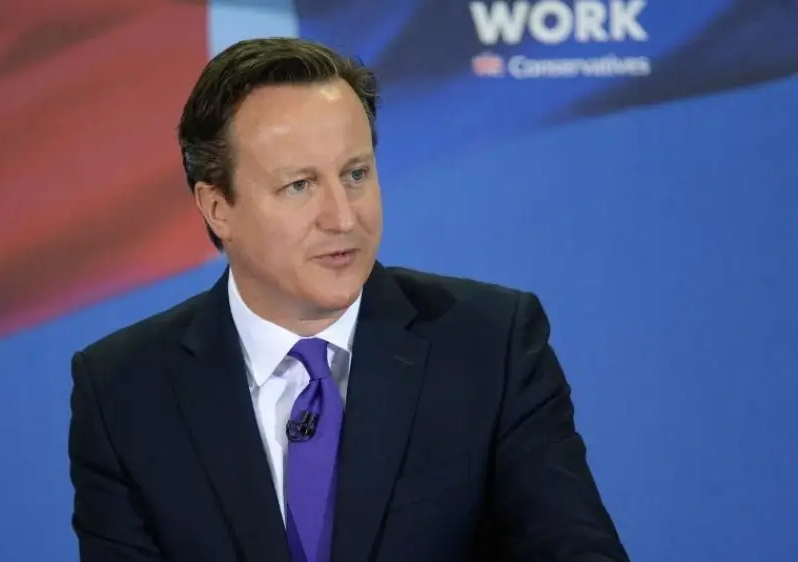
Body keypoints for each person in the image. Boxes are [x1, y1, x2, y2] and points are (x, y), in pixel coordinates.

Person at [67, 37, 629, 562]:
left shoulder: (490, 346)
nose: (342, 217)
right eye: (300, 185)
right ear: (217, 208)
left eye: (356, 174)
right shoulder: (124, 391)